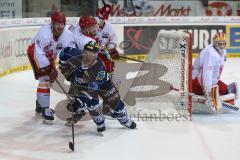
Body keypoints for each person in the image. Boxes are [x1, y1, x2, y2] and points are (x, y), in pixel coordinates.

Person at [59, 41, 137, 132]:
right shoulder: (75, 55)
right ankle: (100, 123)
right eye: (86, 52)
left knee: (114, 101)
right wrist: (63, 68)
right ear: (83, 51)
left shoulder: (98, 68)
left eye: (92, 54)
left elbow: (91, 91)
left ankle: (125, 120)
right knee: (92, 105)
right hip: (83, 85)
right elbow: (64, 56)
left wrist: (78, 102)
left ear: (96, 55)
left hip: (103, 84)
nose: (88, 55)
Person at [27, 11, 76, 123]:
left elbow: (69, 50)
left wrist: (67, 65)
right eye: (57, 24)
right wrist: (47, 68)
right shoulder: (44, 34)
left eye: (62, 24)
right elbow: (37, 51)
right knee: (44, 79)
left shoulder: (67, 34)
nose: (60, 26)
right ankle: (45, 109)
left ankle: (40, 104)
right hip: (35, 52)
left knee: (50, 81)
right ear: (52, 24)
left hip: (50, 54)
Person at [192, 32, 238, 108]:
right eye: (219, 43)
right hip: (197, 81)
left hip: (211, 81)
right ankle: (196, 91)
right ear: (214, 43)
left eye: (224, 43)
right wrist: (208, 91)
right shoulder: (210, 53)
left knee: (229, 91)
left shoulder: (223, 52)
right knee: (224, 94)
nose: (222, 45)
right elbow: (206, 73)